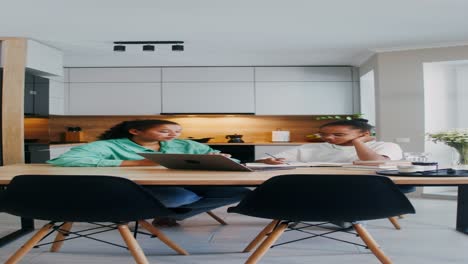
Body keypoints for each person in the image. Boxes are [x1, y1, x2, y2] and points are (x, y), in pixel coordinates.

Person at [47, 119, 251, 226]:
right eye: (165, 131)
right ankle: (147, 211)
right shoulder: (109, 146)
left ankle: (171, 217)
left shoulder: (184, 145)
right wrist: (133, 163)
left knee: (238, 192)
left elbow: (229, 161)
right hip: (136, 189)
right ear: (135, 131)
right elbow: (66, 159)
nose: (173, 136)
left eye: (176, 132)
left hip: (190, 182)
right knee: (183, 195)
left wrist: (222, 158)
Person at [257, 119, 402, 164]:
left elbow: (376, 163)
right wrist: (267, 161)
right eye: (323, 134)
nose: (329, 138)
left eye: (338, 134)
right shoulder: (311, 148)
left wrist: (358, 143)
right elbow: (261, 161)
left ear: (365, 134)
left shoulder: (386, 146)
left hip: (364, 189)